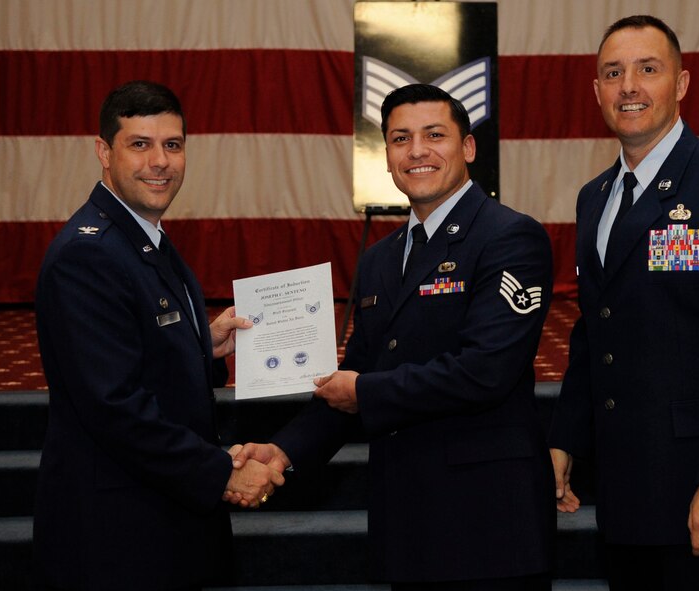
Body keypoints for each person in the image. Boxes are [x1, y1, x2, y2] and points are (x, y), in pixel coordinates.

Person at [229, 84, 555, 589]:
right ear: (385, 156)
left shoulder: (510, 236)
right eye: (401, 138)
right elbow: (359, 371)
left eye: (434, 135)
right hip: (406, 520)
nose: (417, 150)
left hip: (487, 523)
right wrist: (285, 450)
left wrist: (361, 391)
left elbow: (484, 372)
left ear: (467, 148)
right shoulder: (380, 259)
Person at [548, 15, 699, 590]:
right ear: (597, 92)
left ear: (681, 84)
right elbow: (596, 329)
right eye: (613, 73)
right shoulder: (595, 200)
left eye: (648, 69)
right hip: (627, 498)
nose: (629, 86)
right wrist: (566, 436)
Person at [34, 80, 284, 590]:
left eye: (172, 145)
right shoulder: (91, 253)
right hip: (119, 535)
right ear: (104, 151)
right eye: (140, 144)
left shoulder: (143, 236)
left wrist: (200, 343)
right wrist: (221, 472)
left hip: (160, 516)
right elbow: (114, 405)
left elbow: (139, 348)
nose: (160, 162)